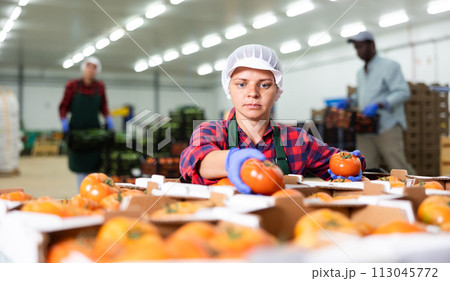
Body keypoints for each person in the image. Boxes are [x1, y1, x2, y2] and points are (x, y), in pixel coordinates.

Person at [180, 44, 365, 193]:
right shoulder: (210, 131)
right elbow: (193, 161)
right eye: (242, 84)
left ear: (277, 91)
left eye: (264, 85)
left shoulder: (296, 139)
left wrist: (353, 166)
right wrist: (231, 161)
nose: (252, 93)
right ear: (229, 88)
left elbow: (340, 162)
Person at [347, 31, 415, 173]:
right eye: (356, 48)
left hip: (387, 126)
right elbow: (362, 94)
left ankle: (415, 192)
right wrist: (349, 100)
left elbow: (403, 92)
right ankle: (370, 194)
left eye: (360, 47)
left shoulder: (390, 66)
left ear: (371, 45)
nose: (358, 52)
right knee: (365, 168)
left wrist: (380, 104)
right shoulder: (360, 72)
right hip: (365, 128)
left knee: (397, 166)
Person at [58, 56, 114, 189]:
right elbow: (63, 107)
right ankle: (82, 192)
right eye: (88, 66)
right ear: (83, 68)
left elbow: (104, 107)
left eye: (94, 67)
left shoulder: (99, 87)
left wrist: (109, 119)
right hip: (77, 135)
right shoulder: (72, 86)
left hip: (94, 135)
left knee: (95, 166)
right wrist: (64, 122)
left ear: (97, 71)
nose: (91, 70)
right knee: (80, 168)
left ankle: (94, 192)